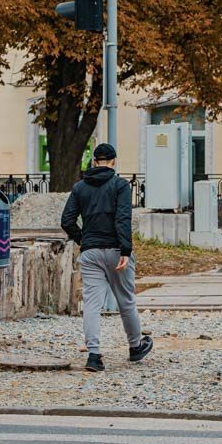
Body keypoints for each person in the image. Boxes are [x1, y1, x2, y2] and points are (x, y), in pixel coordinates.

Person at [60, 143, 153, 373]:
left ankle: (94, 356)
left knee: (92, 304)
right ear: (113, 161)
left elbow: (67, 221)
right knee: (126, 300)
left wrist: (84, 239)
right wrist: (125, 250)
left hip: (90, 252)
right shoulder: (120, 185)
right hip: (115, 250)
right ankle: (135, 347)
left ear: (94, 161)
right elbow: (122, 218)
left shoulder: (80, 187)